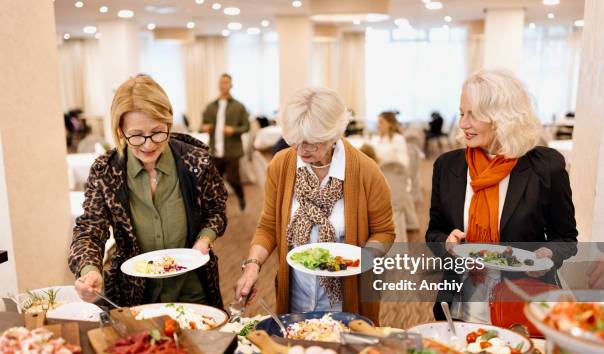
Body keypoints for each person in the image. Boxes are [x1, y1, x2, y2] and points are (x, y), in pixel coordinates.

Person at [426, 69, 578, 323]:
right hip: (461, 305)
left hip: (520, 304)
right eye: (462, 113)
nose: (463, 123)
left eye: (473, 115)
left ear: (501, 117)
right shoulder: (447, 166)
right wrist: (447, 243)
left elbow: (566, 239)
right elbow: (434, 233)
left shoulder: (545, 166)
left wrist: (547, 255)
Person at [233, 87, 395, 324]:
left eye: (311, 143)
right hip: (296, 297)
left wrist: (361, 259)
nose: (302, 150)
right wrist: (252, 265)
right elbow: (268, 226)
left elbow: (384, 231)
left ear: (333, 133)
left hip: (348, 300)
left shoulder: (366, 171)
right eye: (296, 141)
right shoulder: (282, 165)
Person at [70, 74, 228, 308]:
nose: (148, 144)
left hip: (193, 290)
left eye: (157, 131)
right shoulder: (105, 172)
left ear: (168, 122)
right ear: (120, 132)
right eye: (136, 135)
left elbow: (217, 209)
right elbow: (89, 231)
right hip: (132, 294)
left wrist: (204, 239)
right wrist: (90, 269)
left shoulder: (195, 161)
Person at [202, 73, 250, 210]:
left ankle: (241, 198)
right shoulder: (211, 106)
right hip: (215, 150)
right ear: (218, 85)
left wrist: (233, 130)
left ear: (231, 85)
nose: (223, 85)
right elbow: (203, 124)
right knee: (214, 181)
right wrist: (205, 127)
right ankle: (217, 207)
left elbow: (246, 127)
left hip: (232, 151)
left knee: (233, 179)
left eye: (226, 82)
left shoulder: (239, 106)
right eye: (221, 82)